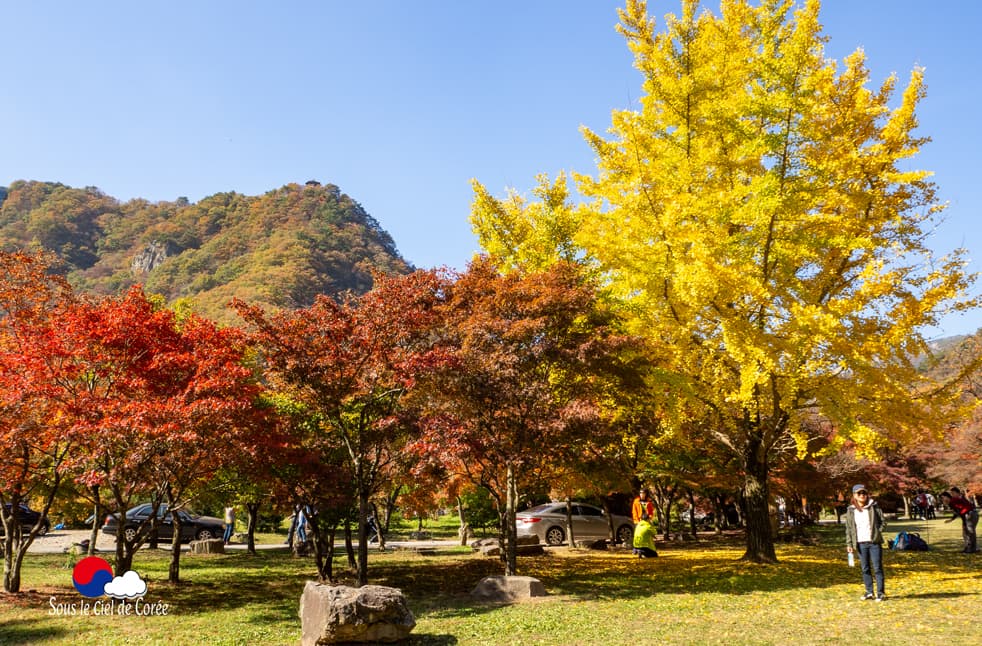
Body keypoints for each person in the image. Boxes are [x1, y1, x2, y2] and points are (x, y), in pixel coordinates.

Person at [844, 484, 887, 601]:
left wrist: (878, 532)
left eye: (864, 493)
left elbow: (883, 522)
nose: (862, 495)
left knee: (877, 568)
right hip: (860, 543)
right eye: (859, 493)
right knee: (865, 568)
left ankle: (881, 593)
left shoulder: (874, 506)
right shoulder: (851, 510)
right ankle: (869, 592)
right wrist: (849, 544)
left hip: (874, 543)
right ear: (854, 496)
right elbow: (849, 528)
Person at [939, 488, 978, 554]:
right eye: (942, 498)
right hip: (969, 515)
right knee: (967, 533)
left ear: (947, 496)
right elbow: (957, 511)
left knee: (969, 532)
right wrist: (951, 519)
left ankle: (970, 549)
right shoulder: (952, 501)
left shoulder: (953, 500)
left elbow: (963, 509)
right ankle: (969, 548)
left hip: (970, 514)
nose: (943, 500)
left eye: (943, 498)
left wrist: (963, 516)